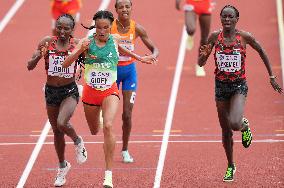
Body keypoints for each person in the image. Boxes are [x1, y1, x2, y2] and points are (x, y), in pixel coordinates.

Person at [62, 10, 156, 188]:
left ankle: (108, 176)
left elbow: (122, 49)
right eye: (99, 27)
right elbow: (66, 63)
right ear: (95, 27)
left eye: (106, 27)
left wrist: (140, 58)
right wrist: (80, 50)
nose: (103, 31)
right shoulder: (86, 42)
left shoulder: (115, 40)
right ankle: (96, 118)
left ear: (110, 27)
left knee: (108, 125)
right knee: (94, 130)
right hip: (90, 93)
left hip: (109, 91)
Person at [198, 5, 283, 182]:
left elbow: (261, 50)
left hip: (238, 86)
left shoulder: (244, 37)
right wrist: (204, 56)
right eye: (224, 17)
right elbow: (200, 64)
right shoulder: (214, 37)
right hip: (221, 86)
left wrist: (272, 76)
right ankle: (230, 165)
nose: (227, 20)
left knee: (235, 123)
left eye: (231, 17)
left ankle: (244, 126)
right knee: (226, 131)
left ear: (237, 19)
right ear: (220, 18)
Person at [27, 14, 87, 187]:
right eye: (59, 27)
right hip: (51, 91)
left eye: (66, 28)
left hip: (69, 91)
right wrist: (40, 56)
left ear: (72, 30)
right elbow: (29, 66)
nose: (62, 31)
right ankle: (62, 167)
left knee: (62, 122)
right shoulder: (47, 42)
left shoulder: (77, 45)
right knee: (57, 131)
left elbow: (90, 60)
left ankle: (77, 141)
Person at [111, 0, 159, 163]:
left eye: (127, 6)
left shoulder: (137, 28)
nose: (124, 9)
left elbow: (155, 48)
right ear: (116, 9)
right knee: (108, 114)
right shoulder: (109, 27)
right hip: (112, 72)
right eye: (121, 7)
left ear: (131, 8)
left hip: (129, 73)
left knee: (127, 115)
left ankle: (125, 150)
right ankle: (108, 145)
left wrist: (153, 55)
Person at [176, 0, 214, 76]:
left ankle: (199, 65)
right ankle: (190, 36)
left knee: (205, 39)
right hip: (191, 4)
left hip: (205, 5)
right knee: (190, 29)